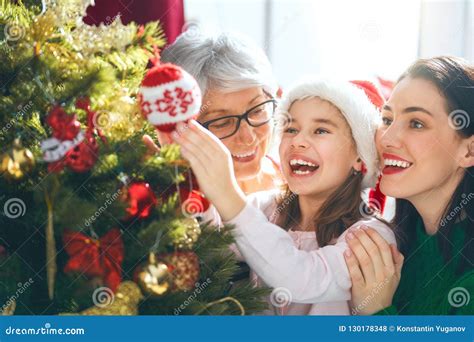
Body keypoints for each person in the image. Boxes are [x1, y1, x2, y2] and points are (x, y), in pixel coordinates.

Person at [172, 79, 396, 315]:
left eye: (320, 130)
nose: (297, 141)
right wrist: (184, 180)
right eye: (290, 129)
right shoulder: (264, 207)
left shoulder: (371, 236)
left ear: (359, 157)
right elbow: (214, 245)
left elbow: (302, 279)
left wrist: (228, 193)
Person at [344, 56, 474, 315]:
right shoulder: (388, 243)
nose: (388, 139)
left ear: (469, 151)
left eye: (416, 123)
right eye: (387, 119)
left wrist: (376, 314)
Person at [143, 31, 282, 194]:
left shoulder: (292, 179)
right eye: (222, 122)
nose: (248, 138)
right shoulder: (174, 204)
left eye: (257, 110)